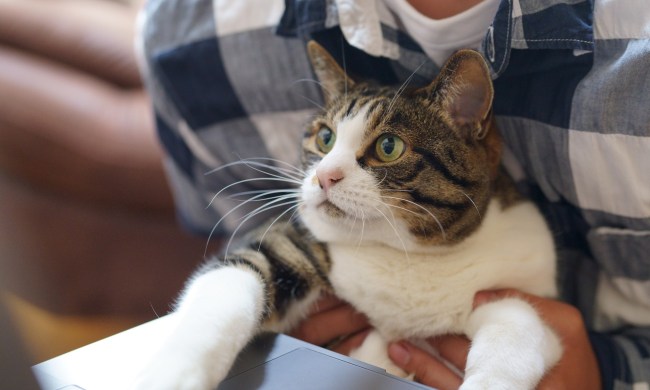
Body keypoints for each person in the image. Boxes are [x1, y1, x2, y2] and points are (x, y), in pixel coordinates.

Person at [137, 0, 650, 388]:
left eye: (385, 147)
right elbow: (241, 278)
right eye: (325, 140)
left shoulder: (512, 243)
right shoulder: (184, 34)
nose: (327, 173)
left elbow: (513, 323)